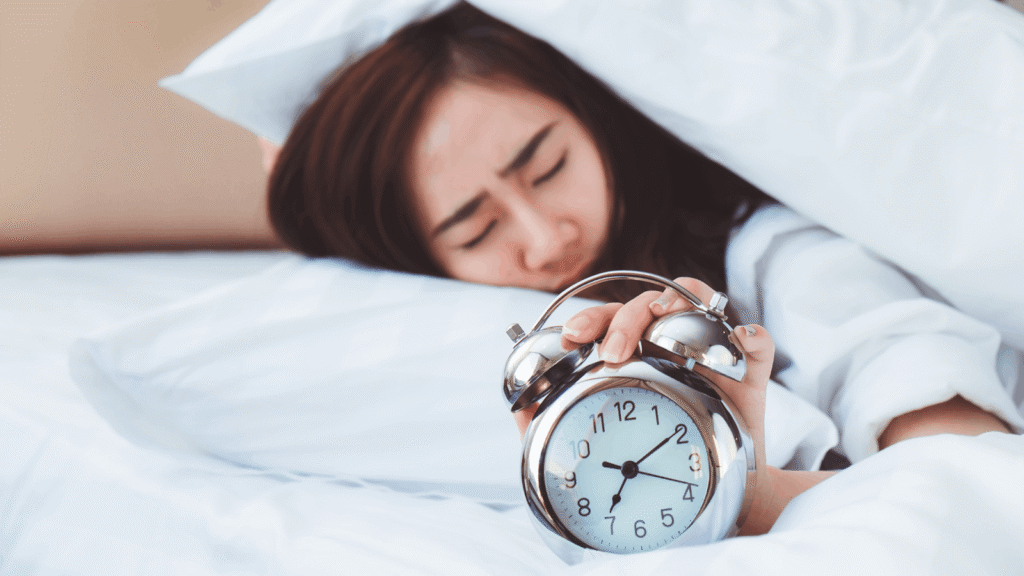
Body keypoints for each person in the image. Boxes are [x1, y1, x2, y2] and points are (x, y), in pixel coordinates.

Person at [259, 2, 1017, 536]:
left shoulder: (776, 255)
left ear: (596, 123)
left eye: (548, 165)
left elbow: (967, 464)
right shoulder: (423, 325)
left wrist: (760, 500)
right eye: (475, 226)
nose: (543, 234)